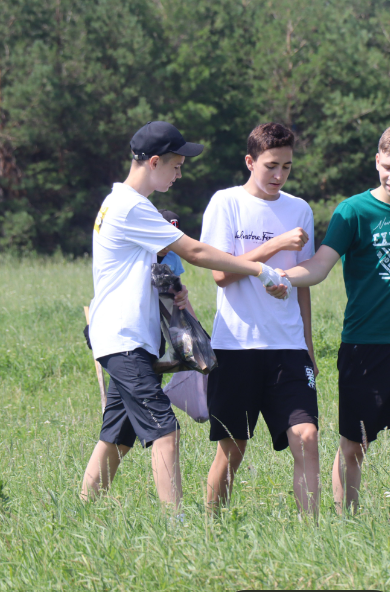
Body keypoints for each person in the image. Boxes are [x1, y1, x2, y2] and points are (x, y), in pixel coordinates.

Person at [80, 121, 290, 508]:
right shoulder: (132, 206)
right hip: (124, 339)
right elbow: (195, 252)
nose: (179, 174)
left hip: (125, 337)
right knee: (166, 430)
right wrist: (260, 269)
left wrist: (172, 290)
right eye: (176, 165)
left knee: (117, 435)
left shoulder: (118, 202)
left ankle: (81, 510)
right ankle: (175, 533)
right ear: (155, 162)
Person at [280, 124, 390, 518]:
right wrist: (282, 278)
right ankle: (348, 520)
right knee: (354, 445)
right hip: (365, 348)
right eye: (388, 167)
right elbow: (322, 264)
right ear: (377, 161)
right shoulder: (352, 211)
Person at [199, 123, 320, 516]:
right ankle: (211, 530)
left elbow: (303, 283)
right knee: (233, 448)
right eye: (271, 166)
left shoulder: (299, 209)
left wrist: (308, 344)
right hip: (236, 346)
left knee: (306, 437)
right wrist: (276, 245)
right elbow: (221, 273)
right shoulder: (226, 203)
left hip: (287, 346)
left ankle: (313, 536)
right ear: (250, 161)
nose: (279, 175)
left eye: (287, 166)